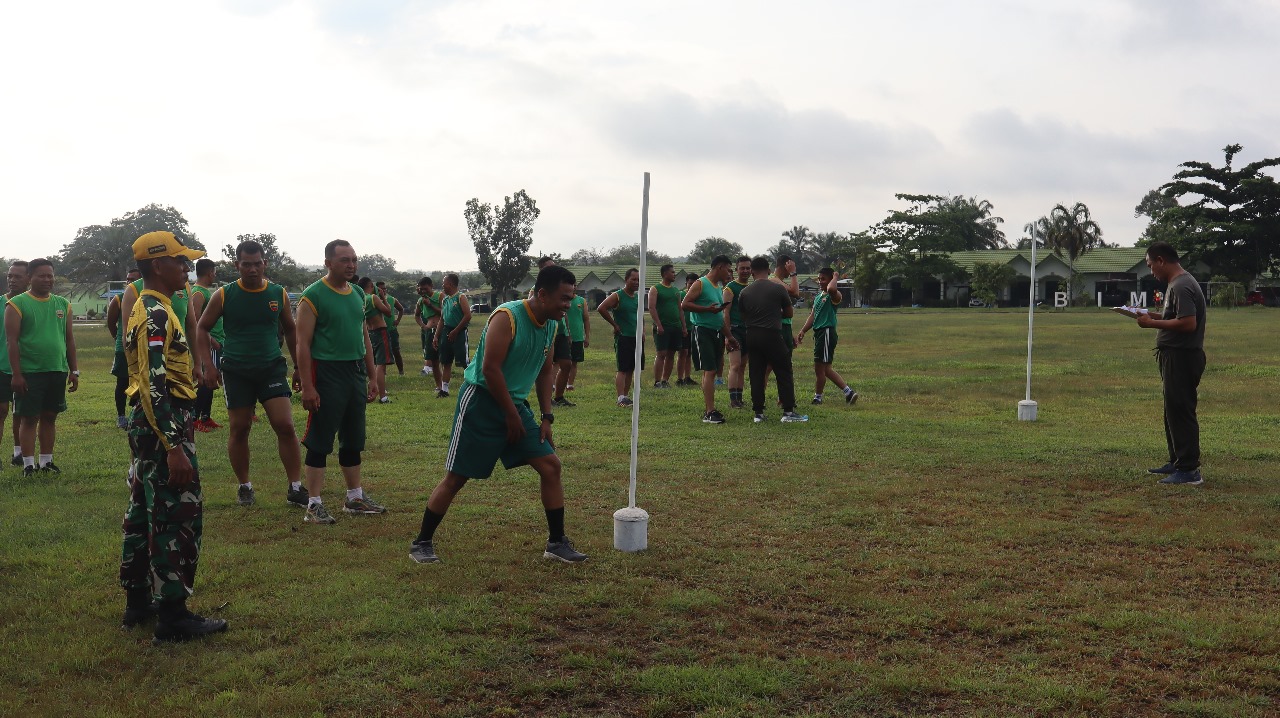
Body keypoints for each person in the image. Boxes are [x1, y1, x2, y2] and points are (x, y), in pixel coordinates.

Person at [409, 265, 588, 564]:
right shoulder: (508, 317)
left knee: (550, 466)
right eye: (564, 298)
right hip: (481, 402)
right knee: (456, 478)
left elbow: (546, 370)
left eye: (571, 299)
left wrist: (546, 416)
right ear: (543, 294)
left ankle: (556, 543)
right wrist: (510, 415)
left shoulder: (552, 324)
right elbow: (490, 369)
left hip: (515, 406)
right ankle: (422, 542)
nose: (568, 305)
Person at [118, 230, 227, 642]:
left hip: (150, 427)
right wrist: (174, 446)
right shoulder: (156, 313)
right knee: (175, 517)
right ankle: (173, 615)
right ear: (158, 264)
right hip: (164, 427)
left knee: (143, 512)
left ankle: (139, 602)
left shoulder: (155, 306)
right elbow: (153, 384)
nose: (187, 268)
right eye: (180, 261)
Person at [195, 239, 306, 508]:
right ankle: (245, 486)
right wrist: (207, 366)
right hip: (236, 370)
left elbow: (291, 329)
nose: (253, 269)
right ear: (237, 265)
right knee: (240, 428)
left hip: (271, 368)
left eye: (257, 264)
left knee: (285, 425)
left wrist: (299, 365)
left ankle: (295, 486)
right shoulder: (224, 295)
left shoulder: (278, 293)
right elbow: (202, 328)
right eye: (247, 264)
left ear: (265, 263)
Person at [295, 240, 387, 523]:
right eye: (344, 260)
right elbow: (302, 344)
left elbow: (364, 339)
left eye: (354, 260)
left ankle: (354, 498)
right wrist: (309, 387)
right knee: (321, 439)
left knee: (353, 437)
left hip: (355, 371)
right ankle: (313, 504)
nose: (351, 265)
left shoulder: (358, 292)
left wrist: (372, 376)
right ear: (328, 264)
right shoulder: (313, 296)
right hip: (326, 373)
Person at [1136, 242, 1207, 486]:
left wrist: (1151, 325)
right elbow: (1175, 317)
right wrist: (1150, 315)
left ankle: (1189, 470)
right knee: (1172, 410)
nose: (1151, 271)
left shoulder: (1181, 284)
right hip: (1174, 355)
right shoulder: (1177, 284)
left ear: (1160, 260)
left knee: (1181, 410)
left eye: (1150, 265)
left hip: (1182, 356)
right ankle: (1177, 461)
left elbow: (1188, 323)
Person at [4, 258, 79, 475]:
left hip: (56, 370)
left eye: (50, 275)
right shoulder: (17, 304)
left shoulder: (63, 304)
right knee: (29, 418)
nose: (47, 280)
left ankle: (46, 461)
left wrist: (74, 370)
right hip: (30, 372)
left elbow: (69, 339)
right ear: (30, 278)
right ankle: (28, 464)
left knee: (49, 416)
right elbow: (12, 341)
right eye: (42, 275)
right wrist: (16, 374)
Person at [738, 256, 808, 423]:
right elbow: (789, 313)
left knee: (756, 373)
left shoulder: (744, 292)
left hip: (752, 335)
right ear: (768, 270)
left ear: (752, 271)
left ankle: (758, 414)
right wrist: (775, 314)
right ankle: (788, 412)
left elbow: (743, 316)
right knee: (783, 370)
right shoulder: (778, 289)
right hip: (772, 334)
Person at [680, 256, 737, 424]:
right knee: (710, 370)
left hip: (716, 332)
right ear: (719, 267)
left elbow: (718, 316)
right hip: (702, 331)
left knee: (712, 369)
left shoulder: (718, 287)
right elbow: (685, 304)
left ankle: (710, 409)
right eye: (728, 269)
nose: (729, 273)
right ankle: (709, 411)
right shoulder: (700, 283)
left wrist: (729, 336)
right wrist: (706, 309)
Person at [796, 268, 858, 405]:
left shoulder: (834, 295)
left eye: (823, 279)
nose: (820, 281)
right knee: (825, 368)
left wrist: (835, 276)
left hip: (826, 333)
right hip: (819, 334)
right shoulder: (819, 296)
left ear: (830, 280)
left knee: (820, 368)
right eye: (819, 279)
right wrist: (803, 331)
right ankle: (848, 392)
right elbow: (813, 315)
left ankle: (818, 397)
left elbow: (831, 289)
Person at [533, 258, 576, 408]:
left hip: (559, 331)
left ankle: (558, 397)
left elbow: (565, 314)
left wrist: (569, 333)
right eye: (549, 267)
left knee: (566, 364)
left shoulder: (562, 290)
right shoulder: (538, 291)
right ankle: (548, 397)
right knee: (547, 366)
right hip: (546, 331)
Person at [596, 268, 642, 406]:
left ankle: (626, 397)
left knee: (631, 368)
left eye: (638, 280)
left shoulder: (638, 297)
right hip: (624, 336)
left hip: (636, 337)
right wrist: (615, 325)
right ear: (626, 280)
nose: (636, 282)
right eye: (633, 279)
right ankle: (620, 397)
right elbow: (601, 308)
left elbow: (639, 316)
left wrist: (642, 332)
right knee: (622, 368)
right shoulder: (618, 295)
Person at [188, 259, 224, 432]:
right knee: (206, 379)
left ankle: (205, 416)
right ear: (210, 272)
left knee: (212, 379)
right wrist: (211, 340)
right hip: (210, 344)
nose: (214, 275)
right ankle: (194, 417)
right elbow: (195, 321)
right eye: (214, 272)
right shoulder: (198, 293)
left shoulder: (204, 291)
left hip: (216, 341)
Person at [1, 260, 30, 467]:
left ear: (29, 279)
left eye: (17, 276)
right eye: (10, 276)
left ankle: (18, 454)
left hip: (27, 367)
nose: (12, 280)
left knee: (21, 412)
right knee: (1, 410)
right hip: (2, 367)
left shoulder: (32, 303)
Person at [648, 263, 686, 389]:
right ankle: (657, 381)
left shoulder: (676, 291)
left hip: (676, 327)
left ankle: (665, 380)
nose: (674, 274)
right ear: (665, 274)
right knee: (661, 354)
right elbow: (652, 308)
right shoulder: (656, 288)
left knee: (671, 354)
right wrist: (658, 325)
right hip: (663, 327)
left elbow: (680, 309)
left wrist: (684, 327)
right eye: (672, 272)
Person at [433, 273, 471, 398]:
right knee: (446, 361)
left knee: (464, 361)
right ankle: (444, 390)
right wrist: (436, 336)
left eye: (444, 283)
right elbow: (442, 320)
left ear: (450, 284)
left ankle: (471, 387)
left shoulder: (461, 297)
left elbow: (467, 316)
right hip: (446, 332)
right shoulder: (445, 300)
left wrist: (456, 330)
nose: (442, 286)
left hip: (459, 333)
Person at [358, 277, 394, 404]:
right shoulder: (373, 298)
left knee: (371, 363)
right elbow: (389, 312)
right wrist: (383, 297)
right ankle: (383, 396)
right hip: (380, 332)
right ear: (370, 286)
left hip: (369, 332)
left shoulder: (360, 299)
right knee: (380, 364)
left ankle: (370, 390)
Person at [722, 257, 752, 408]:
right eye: (742, 268)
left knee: (743, 366)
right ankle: (733, 400)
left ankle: (739, 397)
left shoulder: (752, 288)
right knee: (735, 365)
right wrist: (728, 335)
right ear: (736, 269)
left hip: (748, 331)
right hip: (734, 330)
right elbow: (725, 312)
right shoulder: (730, 288)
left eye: (748, 268)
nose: (745, 271)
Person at [413, 277, 443, 391]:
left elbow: (445, 312)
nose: (423, 291)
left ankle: (445, 384)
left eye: (425, 288)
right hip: (429, 332)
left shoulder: (439, 296)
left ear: (431, 286)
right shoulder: (421, 301)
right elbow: (416, 315)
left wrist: (430, 305)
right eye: (421, 289)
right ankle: (439, 386)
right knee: (434, 361)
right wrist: (423, 326)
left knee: (444, 359)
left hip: (441, 330)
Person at [376, 280, 406, 377]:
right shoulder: (374, 299)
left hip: (391, 330)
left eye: (384, 288)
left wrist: (398, 320)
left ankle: (401, 372)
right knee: (381, 353)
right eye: (381, 289)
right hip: (379, 330)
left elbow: (401, 309)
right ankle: (382, 373)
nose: (383, 291)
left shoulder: (391, 299)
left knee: (396, 351)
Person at [563, 288, 589, 393]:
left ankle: (570, 384)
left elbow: (586, 319)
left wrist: (587, 336)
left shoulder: (581, 301)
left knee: (574, 362)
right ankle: (556, 384)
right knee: (561, 362)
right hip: (564, 335)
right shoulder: (563, 300)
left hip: (578, 337)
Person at [676, 273, 697, 385]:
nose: (691, 286)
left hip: (693, 327)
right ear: (686, 284)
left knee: (689, 353)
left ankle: (687, 377)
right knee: (682, 352)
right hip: (683, 328)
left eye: (694, 284)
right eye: (690, 283)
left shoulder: (697, 296)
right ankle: (679, 378)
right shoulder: (681, 294)